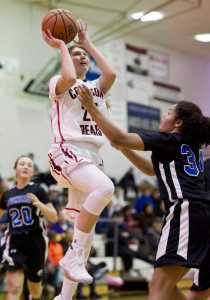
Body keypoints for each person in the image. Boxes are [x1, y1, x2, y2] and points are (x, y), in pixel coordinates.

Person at [77, 86, 210, 300]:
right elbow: (150, 169)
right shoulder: (191, 147)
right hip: (200, 215)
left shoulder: (169, 140)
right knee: (167, 289)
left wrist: (92, 108)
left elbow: (120, 137)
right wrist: (123, 148)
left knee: (158, 291)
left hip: (186, 213)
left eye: (168, 112)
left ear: (178, 123)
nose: (164, 115)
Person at [42, 19, 116, 299]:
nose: (81, 56)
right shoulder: (60, 82)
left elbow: (111, 73)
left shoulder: (96, 88)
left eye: (83, 56)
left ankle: (65, 296)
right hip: (67, 150)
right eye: (77, 55)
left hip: (92, 157)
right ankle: (72, 260)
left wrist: (86, 42)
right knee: (105, 188)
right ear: (67, 61)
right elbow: (69, 77)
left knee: (82, 233)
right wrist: (62, 45)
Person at [0, 155, 58, 300]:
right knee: (13, 287)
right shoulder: (7, 194)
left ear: (33, 172)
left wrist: (40, 204)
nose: (25, 166)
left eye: (29, 165)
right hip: (15, 240)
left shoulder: (38, 191)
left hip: (36, 241)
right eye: (22, 164)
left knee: (35, 289)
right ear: (15, 169)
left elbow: (53, 217)